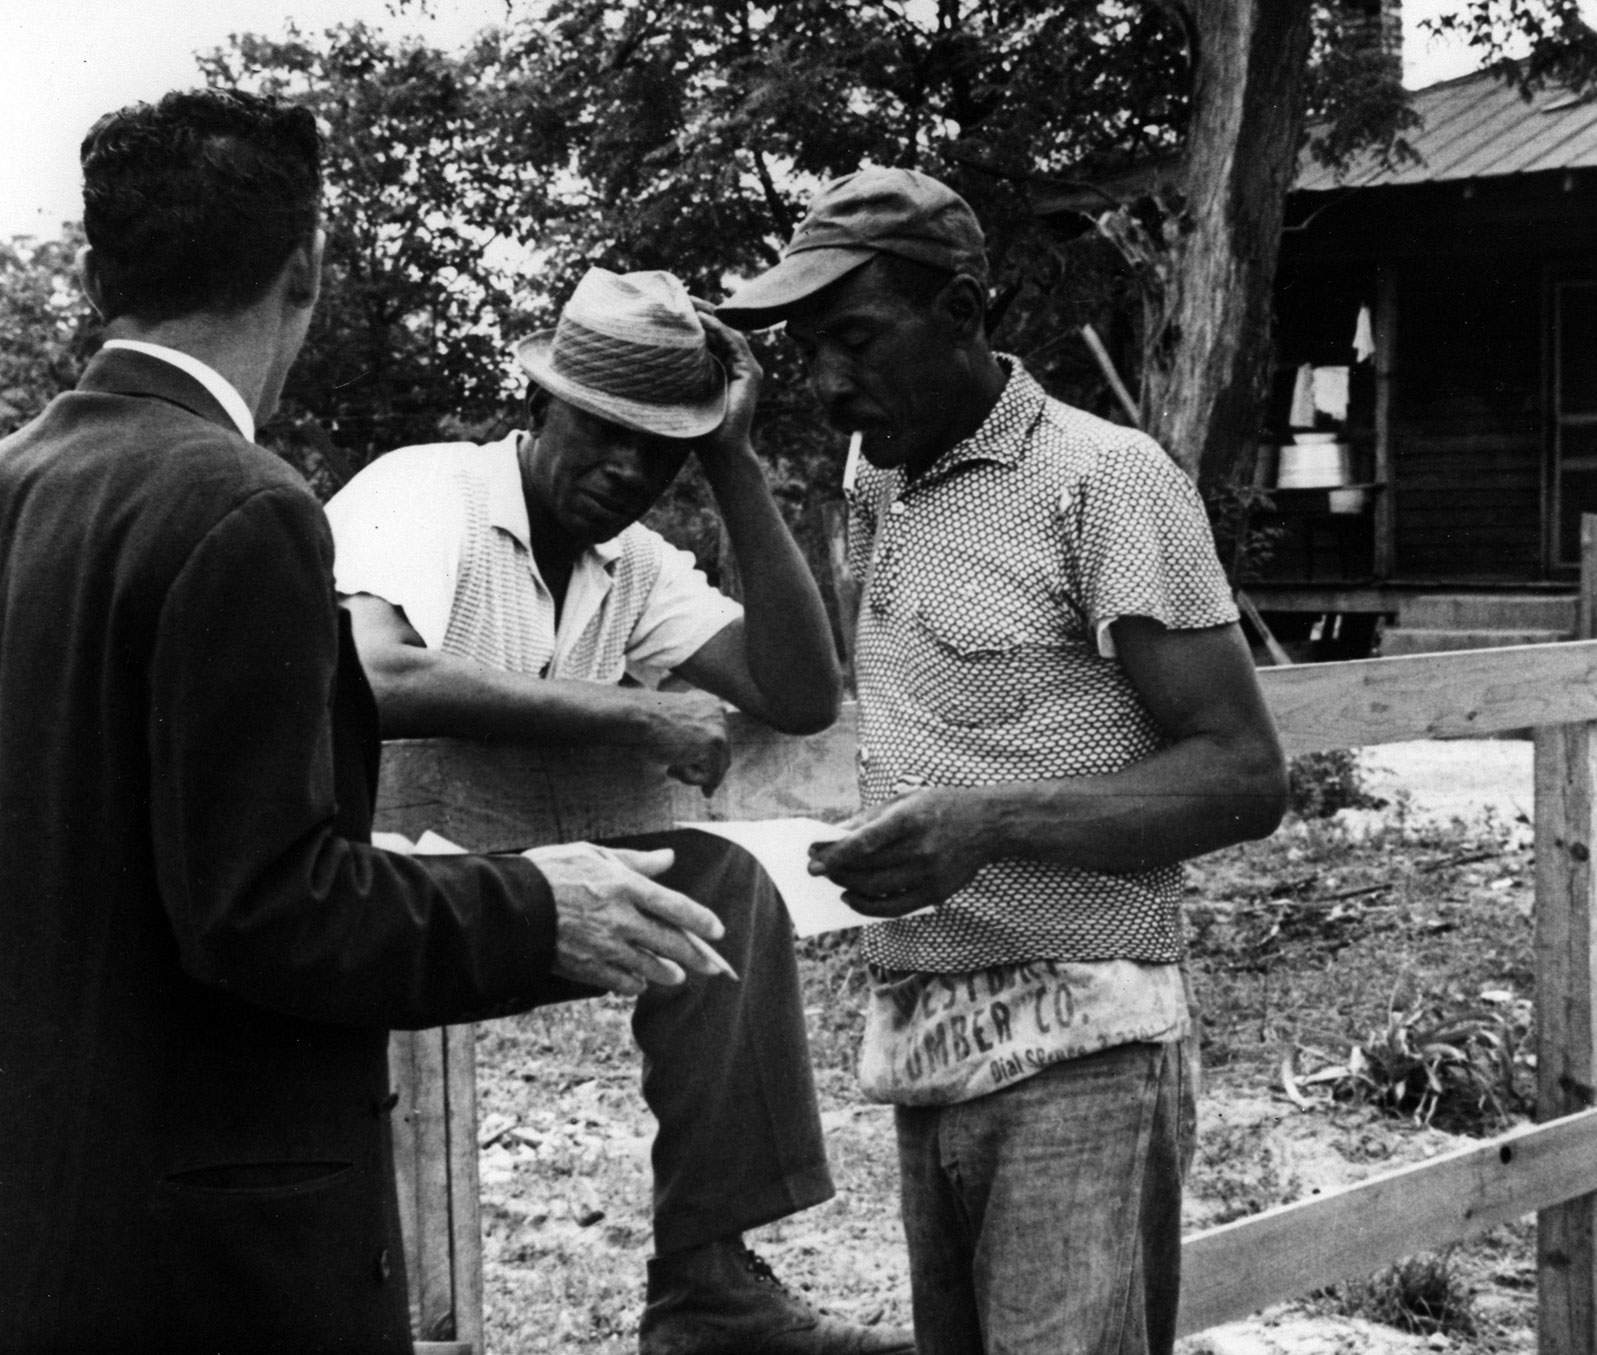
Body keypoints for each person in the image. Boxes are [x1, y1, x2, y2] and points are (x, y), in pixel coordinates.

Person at [0, 89, 728, 1353]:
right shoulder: (244, 508)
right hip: (215, 1255)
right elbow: (262, 910)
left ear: (102, 266)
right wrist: (539, 905)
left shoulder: (22, 482)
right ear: (306, 269)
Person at [719, 167, 1289, 1355]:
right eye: (814, 351)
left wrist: (986, 823)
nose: (828, 385)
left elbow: (1242, 774)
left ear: (967, 316)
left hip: (1083, 1048)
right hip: (929, 1039)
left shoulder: (1104, 479)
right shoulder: (878, 478)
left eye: (857, 341)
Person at [324, 269, 910, 1355]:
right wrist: (628, 719)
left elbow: (800, 692)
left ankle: (706, 1281)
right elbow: (371, 673)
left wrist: (734, 463)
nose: (627, 469)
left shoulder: (628, 564)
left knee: (721, 885)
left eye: (661, 447)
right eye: (603, 432)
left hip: (506, 899)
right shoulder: (430, 490)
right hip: (345, 906)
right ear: (540, 403)